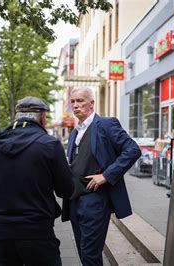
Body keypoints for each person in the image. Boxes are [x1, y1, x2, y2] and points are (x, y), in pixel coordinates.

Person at [0, 96, 75, 266]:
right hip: (36, 230)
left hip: (0, 231)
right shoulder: (50, 145)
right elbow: (66, 190)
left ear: (17, 116)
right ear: (41, 117)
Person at [62, 87, 141, 265]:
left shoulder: (106, 124)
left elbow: (133, 150)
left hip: (95, 201)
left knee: (90, 255)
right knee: (83, 253)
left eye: (80, 101)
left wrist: (106, 175)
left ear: (91, 103)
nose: (75, 105)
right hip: (75, 200)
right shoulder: (75, 132)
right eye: (72, 101)